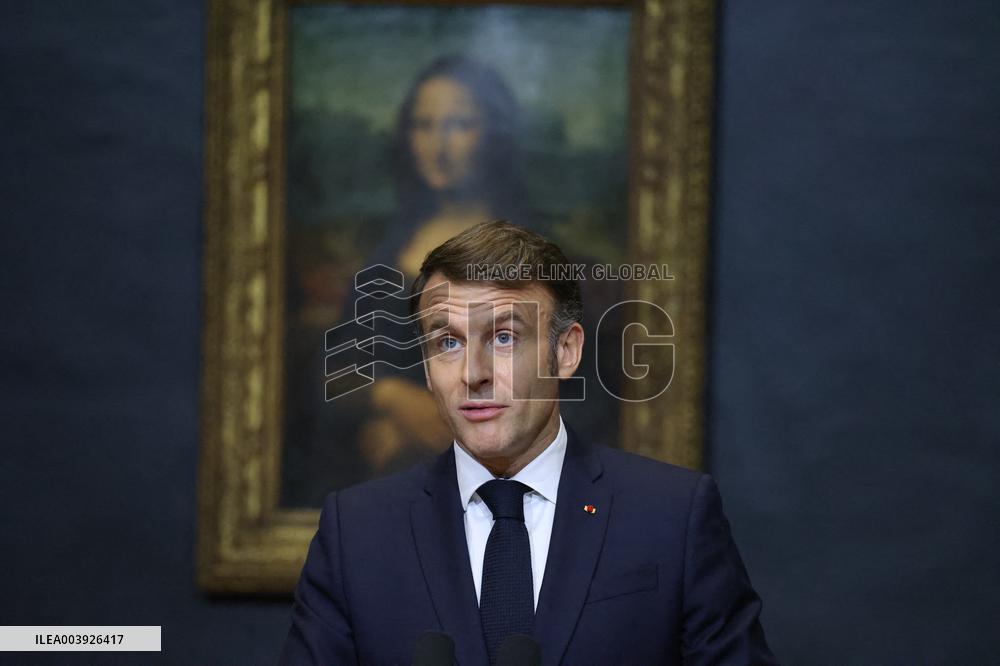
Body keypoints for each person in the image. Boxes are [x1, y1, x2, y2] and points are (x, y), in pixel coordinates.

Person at [281, 221, 777, 664]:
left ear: (565, 351)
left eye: (503, 337)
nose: (473, 374)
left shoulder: (672, 517)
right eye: (447, 342)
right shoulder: (357, 532)